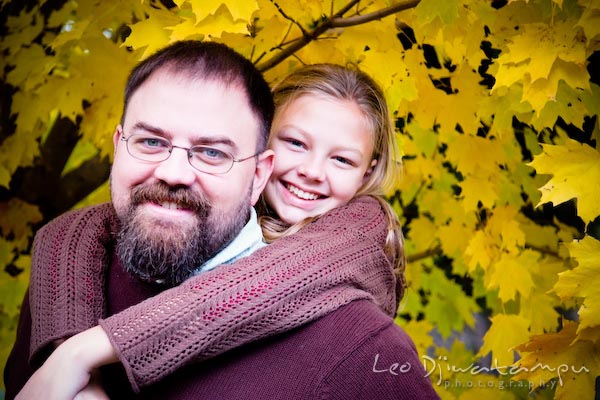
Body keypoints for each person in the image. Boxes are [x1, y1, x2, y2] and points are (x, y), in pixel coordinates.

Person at [6, 41, 439, 399]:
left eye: (212, 151)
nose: (311, 170)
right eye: (295, 143)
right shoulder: (79, 258)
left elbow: (262, 288)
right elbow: (75, 231)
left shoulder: (351, 274)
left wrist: (84, 351)